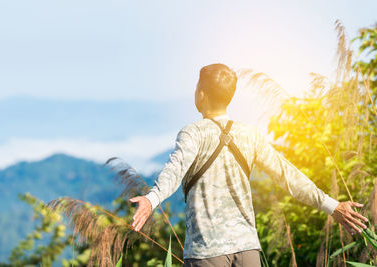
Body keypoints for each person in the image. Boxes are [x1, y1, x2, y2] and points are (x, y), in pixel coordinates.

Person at [129, 63, 368, 267]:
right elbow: (288, 176)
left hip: (207, 254)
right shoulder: (249, 135)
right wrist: (332, 205)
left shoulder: (193, 133)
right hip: (247, 253)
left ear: (201, 94)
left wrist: (151, 200)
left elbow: (175, 169)